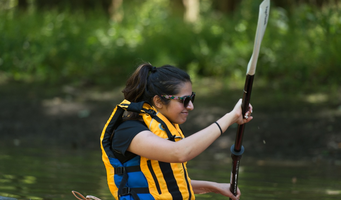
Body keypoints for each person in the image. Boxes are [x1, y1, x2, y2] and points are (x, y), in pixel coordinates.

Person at [100, 63, 253, 200]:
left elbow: (169, 182)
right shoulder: (129, 131)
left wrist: (215, 187)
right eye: (184, 100)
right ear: (158, 101)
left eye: (192, 98)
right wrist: (230, 118)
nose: (191, 106)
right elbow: (179, 153)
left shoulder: (165, 128)